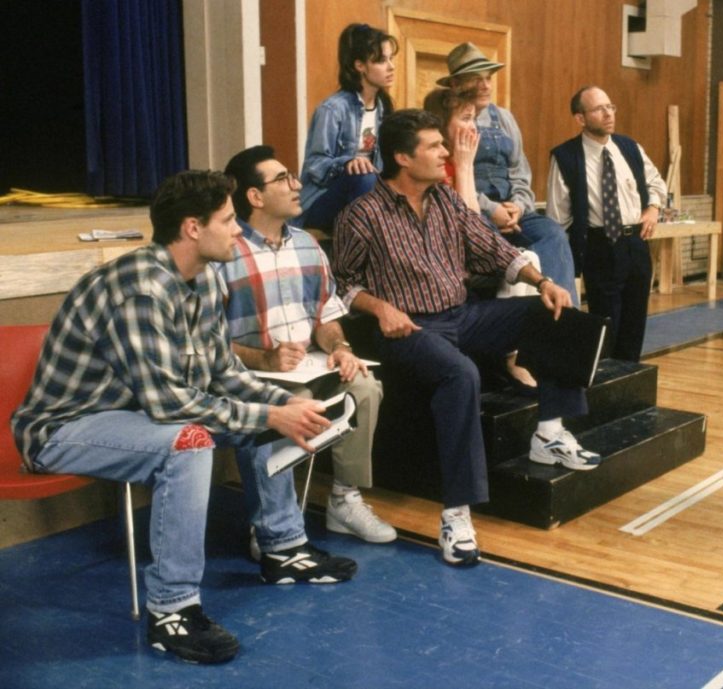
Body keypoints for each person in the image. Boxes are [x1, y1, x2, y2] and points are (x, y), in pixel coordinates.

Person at [10, 171, 357, 664]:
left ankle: (282, 550)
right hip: (65, 428)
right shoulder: (141, 290)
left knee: (273, 406)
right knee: (191, 440)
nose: (239, 230)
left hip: (133, 415)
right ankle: (172, 611)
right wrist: (269, 414)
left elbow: (223, 373)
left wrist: (283, 405)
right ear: (193, 228)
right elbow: (169, 404)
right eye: (228, 220)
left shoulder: (206, 277)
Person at [332, 109, 603, 566]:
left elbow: (494, 248)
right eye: (434, 146)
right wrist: (380, 308)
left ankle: (550, 431)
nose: (445, 153)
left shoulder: (446, 200)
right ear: (402, 156)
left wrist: (543, 283)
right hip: (409, 328)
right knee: (462, 375)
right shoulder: (362, 214)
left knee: (554, 314)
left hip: (462, 314)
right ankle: (456, 515)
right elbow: (341, 283)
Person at [221, 145, 395, 549]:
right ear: (255, 196)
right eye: (283, 178)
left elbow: (325, 317)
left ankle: (344, 501)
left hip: (310, 366)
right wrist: (262, 357)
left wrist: (341, 347)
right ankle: (271, 525)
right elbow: (207, 341)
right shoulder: (225, 252)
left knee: (365, 387)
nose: (297, 184)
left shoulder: (307, 245)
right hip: (252, 376)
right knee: (291, 403)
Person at [438, 42, 579, 306]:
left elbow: (519, 171)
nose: (486, 85)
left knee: (552, 233)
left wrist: (519, 206)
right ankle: (514, 318)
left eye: (488, 78)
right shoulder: (446, 121)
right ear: (456, 84)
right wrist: (492, 209)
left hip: (515, 210)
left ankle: (562, 313)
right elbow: (449, 179)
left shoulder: (504, 118)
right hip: (475, 210)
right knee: (489, 241)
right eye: (476, 79)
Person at [423, 86, 541, 392]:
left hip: (467, 254)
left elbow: (473, 225)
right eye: (465, 118)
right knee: (522, 260)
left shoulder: (460, 159)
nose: (473, 126)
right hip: (442, 267)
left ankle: (518, 354)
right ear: (441, 125)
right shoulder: (435, 165)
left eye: (474, 118)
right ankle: (510, 355)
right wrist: (463, 165)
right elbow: (466, 226)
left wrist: (465, 164)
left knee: (529, 256)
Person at [548, 86, 668, 362]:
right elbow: (558, 217)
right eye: (599, 109)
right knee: (606, 324)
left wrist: (652, 208)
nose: (608, 114)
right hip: (599, 246)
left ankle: (629, 381)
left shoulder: (630, 147)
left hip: (636, 244)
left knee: (635, 322)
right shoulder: (566, 157)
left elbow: (655, 182)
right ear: (580, 118)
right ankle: (605, 382)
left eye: (610, 107)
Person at [297, 23, 397, 230]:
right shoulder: (333, 109)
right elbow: (315, 164)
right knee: (364, 176)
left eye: (390, 59)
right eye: (381, 60)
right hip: (323, 200)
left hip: (367, 198)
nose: (391, 67)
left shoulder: (384, 108)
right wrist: (347, 163)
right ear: (359, 65)